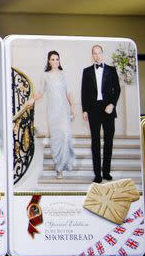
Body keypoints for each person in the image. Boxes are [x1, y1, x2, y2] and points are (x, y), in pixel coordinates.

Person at [26, 50, 76, 179]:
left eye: (57, 59)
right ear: (49, 61)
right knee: (56, 139)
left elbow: (69, 92)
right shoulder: (45, 75)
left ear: (59, 60)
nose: (55, 61)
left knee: (66, 135)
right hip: (53, 112)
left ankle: (65, 162)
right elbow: (41, 93)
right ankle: (59, 167)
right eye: (52, 59)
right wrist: (32, 99)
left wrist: (73, 107)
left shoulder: (64, 74)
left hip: (64, 110)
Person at [81, 44, 121, 183]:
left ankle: (106, 172)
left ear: (103, 54)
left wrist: (113, 104)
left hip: (108, 109)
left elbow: (117, 89)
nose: (97, 55)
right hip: (93, 109)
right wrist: (85, 110)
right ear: (92, 55)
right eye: (94, 53)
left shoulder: (111, 70)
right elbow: (84, 92)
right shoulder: (86, 71)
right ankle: (97, 174)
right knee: (95, 142)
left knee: (108, 141)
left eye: (99, 53)